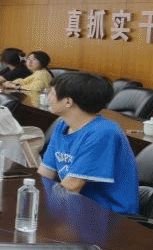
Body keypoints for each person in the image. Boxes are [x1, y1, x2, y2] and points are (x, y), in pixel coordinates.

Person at [39, 72, 139, 215]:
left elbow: (73, 185)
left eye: (51, 93)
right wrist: (32, 195)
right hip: (76, 206)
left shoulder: (103, 132)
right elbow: (45, 173)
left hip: (108, 214)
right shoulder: (62, 124)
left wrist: (39, 207)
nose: (47, 97)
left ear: (68, 102)